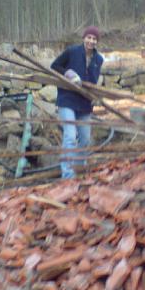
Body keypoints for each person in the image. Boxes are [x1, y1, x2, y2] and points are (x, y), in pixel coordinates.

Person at [50, 26, 104, 179]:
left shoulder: (98, 60)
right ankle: (68, 176)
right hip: (67, 99)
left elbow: (92, 82)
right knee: (70, 137)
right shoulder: (72, 51)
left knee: (85, 139)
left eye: (94, 39)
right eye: (89, 37)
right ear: (83, 38)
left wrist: (95, 96)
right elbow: (54, 66)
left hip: (85, 103)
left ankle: (79, 170)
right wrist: (68, 73)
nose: (91, 41)